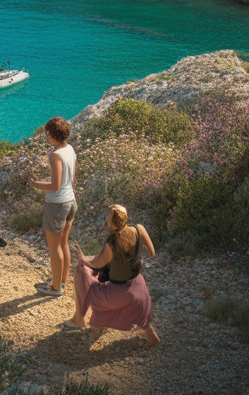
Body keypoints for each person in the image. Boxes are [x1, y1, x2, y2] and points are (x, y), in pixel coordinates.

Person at [64, 205, 161, 347]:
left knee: (81, 271)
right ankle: (152, 337)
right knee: (146, 326)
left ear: (111, 223)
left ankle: (79, 319)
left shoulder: (112, 242)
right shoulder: (139, 229)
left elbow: (96, 264)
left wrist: (82, 257)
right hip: (139, 289)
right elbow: (151, 252)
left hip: (118, 294)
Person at [31, 116, 76, 297]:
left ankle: (56, 288)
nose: (47, 136)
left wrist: (35, 183)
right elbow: (72, 179)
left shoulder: (55, 155)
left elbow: (55, 185)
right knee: (64, 243)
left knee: (54, 247)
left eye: (48, 134)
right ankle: (62, 281)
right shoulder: (70, 149)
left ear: (52, 134)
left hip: (57, 204)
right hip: (71, 201)